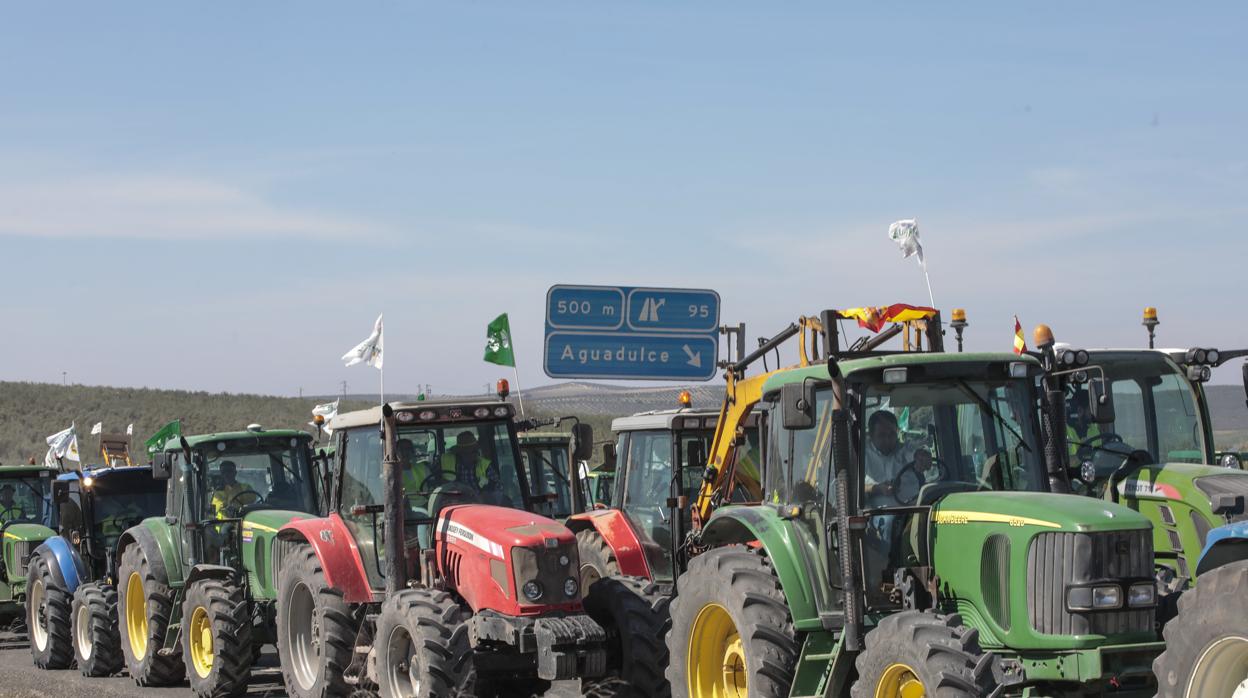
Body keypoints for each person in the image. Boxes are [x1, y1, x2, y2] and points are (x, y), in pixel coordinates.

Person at [863, 410, 932, 506]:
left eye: (892, 434)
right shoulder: (862, 456)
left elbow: (917, 450)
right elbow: (852, 490)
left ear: (897, 432)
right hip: (875, 517)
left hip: (912, 514)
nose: (887, 440)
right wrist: (876, 489)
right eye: (881, 435)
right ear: (870, 435)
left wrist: (922, 456)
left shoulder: (905, 449)